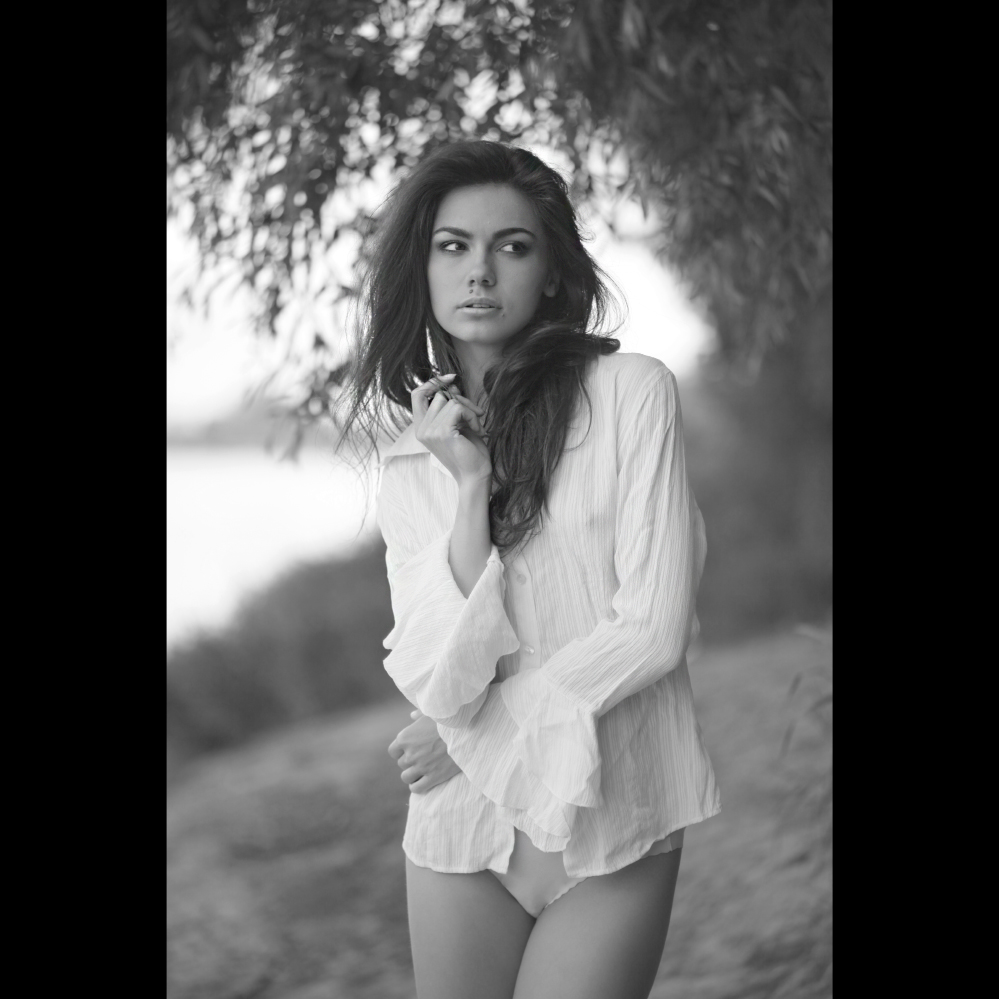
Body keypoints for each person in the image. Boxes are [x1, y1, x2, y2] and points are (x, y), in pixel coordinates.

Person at [338, 140, 720, 999]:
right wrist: (468, 484)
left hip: (614, 807)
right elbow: (445, 672)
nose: (479, 270)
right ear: (424, 271)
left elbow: (652, 629)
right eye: (453, 246)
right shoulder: (412, 464)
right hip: (461, 824)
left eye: (511, 246)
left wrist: (467, 733)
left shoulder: (632, 393)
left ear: (550, 273)